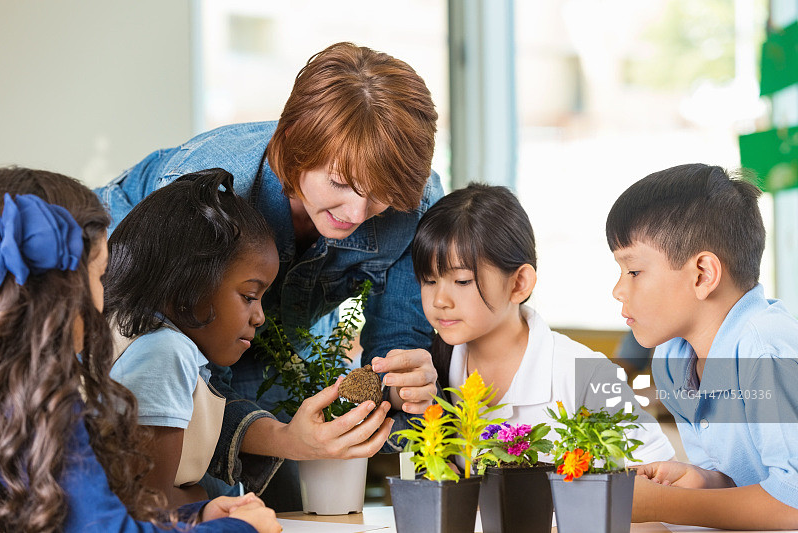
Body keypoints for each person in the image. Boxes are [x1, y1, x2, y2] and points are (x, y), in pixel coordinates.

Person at [95, 42, 441, 509]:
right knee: (185, 492)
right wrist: (282, 441)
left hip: (266, 329)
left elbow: (393, 354)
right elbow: (190, 388)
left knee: (287, 496)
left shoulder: (411, 200)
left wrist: (404, 385)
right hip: (144, 317)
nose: (358, 212)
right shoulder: (210, 191)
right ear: (297, 144)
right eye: (340, 183)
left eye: (379, 196)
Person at [0, 167, 280, 533]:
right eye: (100, 277)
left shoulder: (23, 398)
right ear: (62, 293)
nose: (104, 298)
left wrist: (194, 517)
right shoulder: (46, 408)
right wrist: (243, 529)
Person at [412, 183, 675, 468]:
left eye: (462, 281)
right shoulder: (432, 369)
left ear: (519, 283)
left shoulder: (588, 375)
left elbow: (663, 479)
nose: (440, 300)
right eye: (429, 280)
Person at [606, 163, 798, 529]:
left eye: (633, 271)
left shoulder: (766, 350)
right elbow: (741, 483)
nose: (618, 290)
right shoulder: (673, 358)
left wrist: (665, 504)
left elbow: (793, 503)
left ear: (703, 275)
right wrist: (700, 482)